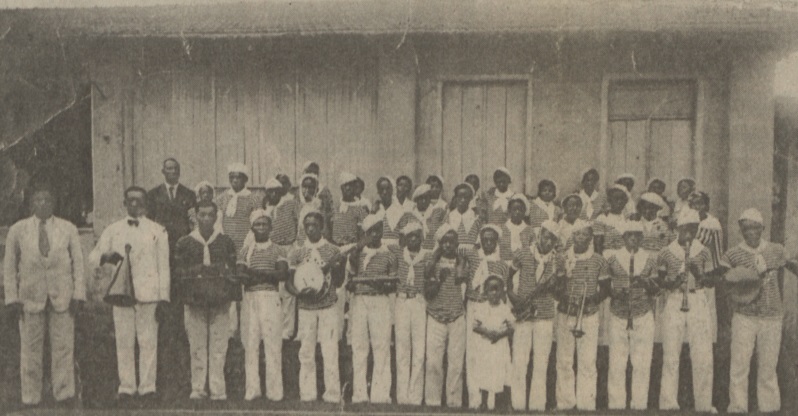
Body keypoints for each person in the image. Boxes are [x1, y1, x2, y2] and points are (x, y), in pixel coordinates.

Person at [3, 184, 85, 407]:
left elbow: (78, 263)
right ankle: (31, 397)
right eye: (38, 200)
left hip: (63, 297)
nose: (43, 204)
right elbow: (9, 267)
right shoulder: (18, 230)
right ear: (30, 204)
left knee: (63, 347)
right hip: (29, 298)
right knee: (30, 350)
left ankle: (64, 394)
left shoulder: (68, 228)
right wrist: (11, 298)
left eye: (47, 199)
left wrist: (78, 295)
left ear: (54, 203)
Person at [88, 186, 170, 405]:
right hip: (121, 294)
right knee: (124, 341)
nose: (135, 204)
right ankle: (126, 388)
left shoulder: (157, 230)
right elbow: (93, 256)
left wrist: (164, 298)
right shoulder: (113, 230)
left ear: (146, 204)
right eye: (130, 200)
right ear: (124, 203)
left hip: (149, 294)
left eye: (139, 200)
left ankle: (148, 388)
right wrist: (105, 256)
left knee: (148, 341)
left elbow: (164, 267)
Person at [720, 208, 789, 413]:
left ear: (762, 229)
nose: (751, 232)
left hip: (772, 316)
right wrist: (745, 280)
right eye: (746, 229)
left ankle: (769, 408)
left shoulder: (776, 250)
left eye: (755, 228)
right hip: (744, 316)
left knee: (768, 366)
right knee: (740, 364)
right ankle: (738, 407)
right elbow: (725, 280)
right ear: (741, 231)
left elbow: (791, 264)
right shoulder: (732, 253)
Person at [173, 201, 237, 401]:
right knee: (197, 344)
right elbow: (177, 272)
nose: (207, 219)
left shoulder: (226, 241)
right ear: (196, 216)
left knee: (219, 345)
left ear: (217, 217)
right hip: (195, 300)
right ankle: (198, 388)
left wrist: (222, 274)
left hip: (220, 300)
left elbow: (233, 271)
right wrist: (199, 271)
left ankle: (218, 390)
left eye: (211, 215)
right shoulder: (185, 242)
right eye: (203, 215)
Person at [147, 158, 196, 403]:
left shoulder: (189, 195)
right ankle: (162, 381)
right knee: (163, 325)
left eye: (176, 169)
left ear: (180, 172)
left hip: (181, 264)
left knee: (182, 325)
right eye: (168, 169)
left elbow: (193, 228)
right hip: (159, 263)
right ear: (162, 171)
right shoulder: (153, 195)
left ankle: (184, 380)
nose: (172, 172)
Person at [657, 209, 715, 412]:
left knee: (703, 354)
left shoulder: (704, 250)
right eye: (686, 229)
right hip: (675, 299)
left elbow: (710, 281)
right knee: (671, 353)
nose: (690, 233)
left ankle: (704, 404)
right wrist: (672, 281)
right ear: (678, 229)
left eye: (694, 228)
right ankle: (668, 403)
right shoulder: (666, 251)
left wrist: (699, 274)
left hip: (697, 298)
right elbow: (661, 281)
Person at [286, 211, 346, 403]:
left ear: (322, 227)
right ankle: (308, 394)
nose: (310, 228)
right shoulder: (297, 252)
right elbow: (289, 283)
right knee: (306, 351)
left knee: (330, 350)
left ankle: (333, 394)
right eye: (307, 225)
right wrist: (298, 293)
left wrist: (338, 268)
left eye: (314, 225)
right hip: (305, 308)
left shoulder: (333, 250)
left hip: (328, 306)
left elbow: (338, 281)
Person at [507, 220, 562, 411]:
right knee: (520, 361)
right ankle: (518, 405)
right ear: (539, 235)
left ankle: (538, 407)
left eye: (553, 239)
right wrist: (514, 298)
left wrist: (553, 285)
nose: (548, 242)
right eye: (546, 236)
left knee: (541, 362)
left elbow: (559, 290)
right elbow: (509, 279)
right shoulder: (522, 253)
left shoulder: (557, 260)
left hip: (545, 315)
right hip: (523, 314)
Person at [554, 221, 609, 411]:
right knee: (564, 360)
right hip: (566, 313)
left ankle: (586, 404)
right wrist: (566, 298)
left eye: (586, 235)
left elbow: (606, 289)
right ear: (572, 237)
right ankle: (565, 403)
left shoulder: (599, 260)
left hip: (588, 314)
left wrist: (591, 299)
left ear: (591, 238)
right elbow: (557, 286)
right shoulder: (563, 258)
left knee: (587, 361)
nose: (581, 238)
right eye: (578, 234)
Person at [235, 210, 289, 402]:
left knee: (273, 344)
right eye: (257, 225)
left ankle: (275, 392)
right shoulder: (246, 250)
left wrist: (255, 274)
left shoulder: (278, 250)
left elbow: (282, 274)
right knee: (250, 344)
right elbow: (241, 275)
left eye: (264, 224)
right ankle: (253, 390)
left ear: (270, 227)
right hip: (250, 298)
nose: (261, 228)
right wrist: (267, 273)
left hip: (270, 297)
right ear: (252, 228)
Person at [605, 221, 659, 410]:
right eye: (629, 235)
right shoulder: (612, 258)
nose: (633, 239)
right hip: (618, 314)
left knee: (642, 363)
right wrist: (615, 293)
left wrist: (646, 283)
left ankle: (639, 406)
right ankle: (616, 405)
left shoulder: (650, 259)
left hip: (642, 314)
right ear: (623, 237)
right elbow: (605, 287)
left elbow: (657, 289)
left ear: (642, 238)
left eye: (637, 235)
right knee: (617, 363)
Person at [347, 213, 397, 404]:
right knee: (360, 348)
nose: (375, 235)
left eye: (378, 230)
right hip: (360, 301)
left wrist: (378, 284)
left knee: (381, 347)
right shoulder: (357, 254)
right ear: (365, 234)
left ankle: (381, 395)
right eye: (371, 232)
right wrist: (358, 248)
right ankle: (359, 394)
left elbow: (391, 284)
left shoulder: (390, 255)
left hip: (380, 301)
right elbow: (350, 278)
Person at [424, 224, 469, 408]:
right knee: (434, 362)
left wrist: (458, 264)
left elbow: (463, 282)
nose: (448, 246)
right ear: (440, 243)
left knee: (456, 364)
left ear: (457, 243)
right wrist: (439, 278)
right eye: (445, 242)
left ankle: (454, 403)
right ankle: (433, 402)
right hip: (436, 316)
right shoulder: (432, 262)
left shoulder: (463, 261)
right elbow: (428, 292)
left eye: (452, 242)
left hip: (456, 316)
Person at [464, 225, 509, 409]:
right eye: (485, 239)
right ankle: (475, 400)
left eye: (492, 239)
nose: (488, 243)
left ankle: (491, 401)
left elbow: (503, 292)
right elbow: (459, 252)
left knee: (491, 354)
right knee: (473, 355)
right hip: (474, 306)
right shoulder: (473, 257)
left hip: (493, 308)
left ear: (496, 241)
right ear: (480, 240)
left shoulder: (502, 264)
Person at [389, 221, 430, 405]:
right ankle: (402, 395)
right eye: (409, 236)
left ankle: (415, 396)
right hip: (402, 301)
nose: (413, 239)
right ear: (404, 239)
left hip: (419, 301)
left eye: (416, 235)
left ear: (421, 237)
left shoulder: (427, 256)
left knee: (419, 350)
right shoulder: (398, 254)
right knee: (402, 349)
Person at [331, 172, 369, 341]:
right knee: (337, 293)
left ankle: (352, 334)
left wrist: (356, 251)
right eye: (345, 186)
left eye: (352, 185)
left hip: (354, 251)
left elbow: (365, 234)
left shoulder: (361, 209)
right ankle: (336, 333)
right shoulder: (336, 207)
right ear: (341, 188)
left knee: (353, 294)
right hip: (337, 251)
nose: (349, 189)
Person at [262, 177, 299, 341]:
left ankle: (287, 330)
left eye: (275, 191)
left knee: (287, 289)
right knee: (273, 289)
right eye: (269, 192)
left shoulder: (290, 203)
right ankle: (272, 328)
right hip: (272, 250)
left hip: (289, 248)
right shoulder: (266, 209)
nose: (272, 194)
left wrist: (297, 245)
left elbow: (300, 224)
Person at [471, 276, 514, 410]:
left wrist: (500, 334)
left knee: (504, 373)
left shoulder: (505, 308)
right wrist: (488, 333)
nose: (494, 293)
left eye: (497, 290)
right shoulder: (482, 307)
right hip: (486, 345)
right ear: (485, 292)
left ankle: (506, 404)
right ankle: (484, 402)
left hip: (501, 345)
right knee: (485, 371)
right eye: (491, 290)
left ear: (502, 292)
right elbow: (475, 326)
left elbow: (512, 328)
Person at [373, 177, 416, 247]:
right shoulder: (376, 209)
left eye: (387, 189)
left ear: (392, 190)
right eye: (382, 189)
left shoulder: (399, 209)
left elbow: (403, 236)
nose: (385, 192)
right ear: (378, 192)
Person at [593, 185, 629, 255]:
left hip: (625, 257)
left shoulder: (627, 218)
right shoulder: (602, 218)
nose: (619, 202)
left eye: (622, 199)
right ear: (609, 200)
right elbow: (598, 245)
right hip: (608, 255)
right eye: (616, 199)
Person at [499, 194, 534, 266]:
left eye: (520, 210)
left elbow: (533, 248)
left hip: (523, 266)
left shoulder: (529, 230)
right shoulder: (501, 228)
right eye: (514, 209)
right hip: (504, 264)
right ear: (509, 211)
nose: (517, 212)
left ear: (525, 212)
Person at [445, 183, 482, 251]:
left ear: (471, 198)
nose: (463, 200)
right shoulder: (450, 216)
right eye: (460, 197)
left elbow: (479, 239)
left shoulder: (475, 216)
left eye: (466, 197)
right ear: (455, 197)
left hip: (472, 253)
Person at [411, 184, 447, 251]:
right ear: (416, 200)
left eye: (426, 198)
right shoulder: (411, 214)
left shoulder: (437, 212)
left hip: (433, 250)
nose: (424, 201)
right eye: (421, 198)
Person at [296, 173, 325, 245]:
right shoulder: (298, 205)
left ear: (316, 189)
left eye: (311, 187)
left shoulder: (319, 205)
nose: (307, 190)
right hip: (300, 243)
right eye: (305, 187)